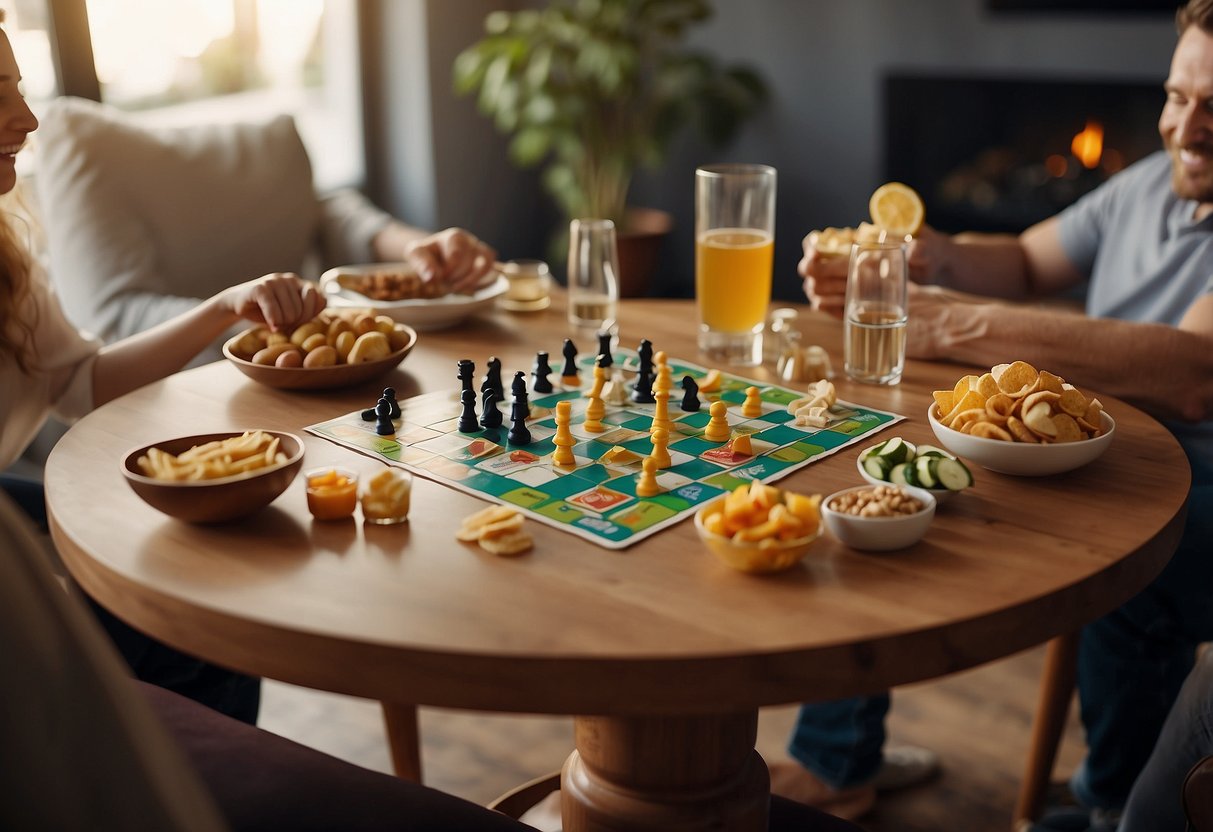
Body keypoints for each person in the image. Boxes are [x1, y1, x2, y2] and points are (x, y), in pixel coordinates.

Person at [785, 0, 1213, 825]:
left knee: (1135, 571)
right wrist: (928, 257)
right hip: (1100, 456)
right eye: (1175, 96)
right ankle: (836, 756)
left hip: (1194, 487)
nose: (1186, 128)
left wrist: (950, 320)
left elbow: (1193, 373)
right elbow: (1022, 259)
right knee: (889, 479)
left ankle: (1110, 810)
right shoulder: (1148, 182)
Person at [0, 21, 328, 725]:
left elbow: (81, 383)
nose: (27, 120)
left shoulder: (9, 256)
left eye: (20, 90)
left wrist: (222, 309)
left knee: (208, 592)